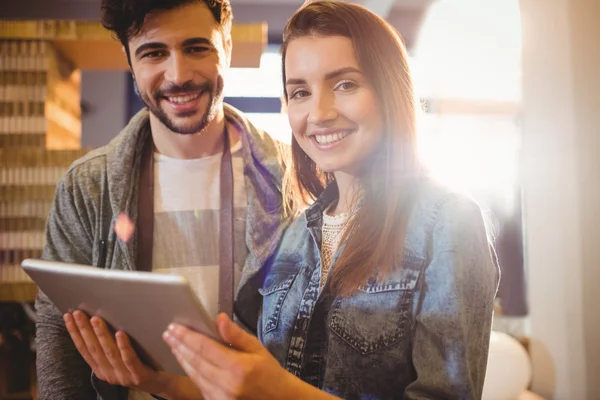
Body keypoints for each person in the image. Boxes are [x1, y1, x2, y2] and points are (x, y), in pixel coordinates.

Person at [161, 1, 500, 399]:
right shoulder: (291, 234)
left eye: (345, 84)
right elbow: (245, 383)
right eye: (300, 92)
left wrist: (282, 392)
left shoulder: (448, 221)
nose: (318, 114)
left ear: (390, 90)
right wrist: (158, 380)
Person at [34, 0, 288, 399]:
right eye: (154, 53)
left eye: (197, 47)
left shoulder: (292, 176)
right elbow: (57, 330)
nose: (179, 75)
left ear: (227, 45)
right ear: (129, 60)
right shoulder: (87, 186)